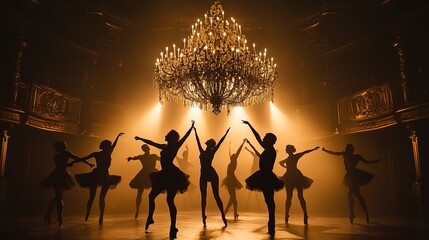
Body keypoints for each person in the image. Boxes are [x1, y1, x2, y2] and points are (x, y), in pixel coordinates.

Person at [135, 121, 194, 239]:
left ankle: (173, 227)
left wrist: (191, 127)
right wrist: (141, 138)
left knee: (169, 200)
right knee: (152, 196)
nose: (165, 135)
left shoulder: (175, 146)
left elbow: (185, 137)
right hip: (164, 174)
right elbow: (152, 142)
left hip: (172, 174)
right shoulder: (164, 146)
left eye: (168, 134)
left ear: (172, 137)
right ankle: (151, 217)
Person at [242, 120, 284, 236]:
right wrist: (250, 125)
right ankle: (271, 222)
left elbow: (258, 138)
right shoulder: (268, 149)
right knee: (268, 200)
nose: (264, 140)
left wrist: (250, 125)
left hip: (267, 176)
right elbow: (259, 139)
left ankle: (272, 223)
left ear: (270, 141)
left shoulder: (270, 150)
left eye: (266, 138)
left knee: (269, 200)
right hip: (265, 175)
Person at [322, 144, 381, 223]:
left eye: (346, 148)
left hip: (354, 176)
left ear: (350, 150)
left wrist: (375, 161)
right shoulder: (345, 154)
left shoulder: (356, 156)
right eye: (345, 148)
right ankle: (357, 213)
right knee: (355, 195)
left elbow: (367, 162)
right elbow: (334, 153)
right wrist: (325, 150)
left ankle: (356, 213)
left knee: (354, 194)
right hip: (349, 176)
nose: (344, 149)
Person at [74, 132, 124, 224]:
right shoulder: (101, 153)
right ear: (106, 146)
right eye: (109, 145)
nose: (110, 146)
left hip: (104, 176)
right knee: (94, 197)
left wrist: (117, 137)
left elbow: (114, 144)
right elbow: (83, 158)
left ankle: (100, 216)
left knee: (98, 197)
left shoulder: (107, 152)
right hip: (97, 175)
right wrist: (74, 162)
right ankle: (89, 213)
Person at [41, 141, 94, 226]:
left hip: (57, 175)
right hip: (60, 175)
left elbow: (73, 160)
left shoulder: (57, 155)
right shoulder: (66, 153)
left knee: (57, 197)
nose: (66, 146)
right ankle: (58, 215)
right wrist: (88, 163)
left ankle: (50, 214)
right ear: (62, 146)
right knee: (58, 197)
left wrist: (85, 163)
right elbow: (78, 158)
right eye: (64, 145)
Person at [194, 126, 230, 227]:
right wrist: (195, 131)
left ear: (210, 145)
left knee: (215, 196)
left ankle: (222, 215)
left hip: (211, 173)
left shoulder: (209, 151)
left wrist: (226, 133)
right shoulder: (203, 151)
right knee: (204, 197)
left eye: (209, 143)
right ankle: (203, 215)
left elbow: (220, 143)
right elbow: (198, 141)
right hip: (204, 174)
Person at [279, 145, 319, 224]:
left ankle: (303, 214)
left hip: (293, 176)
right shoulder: (288, 158)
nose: (286, 150)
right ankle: (288, 214)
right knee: (293, 197)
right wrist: (285, 167)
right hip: (292, 176)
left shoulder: (295, 156)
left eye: (287, 149)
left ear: (290, 150)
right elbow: (280, 162)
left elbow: (305, 152)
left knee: (296, 196)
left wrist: (313, 149)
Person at [127, 144, 160, 219]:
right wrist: (131, 158)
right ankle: (138, 209)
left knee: (140, 193)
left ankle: (138, 210)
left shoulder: (149, 156)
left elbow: (134, 158)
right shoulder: (151, 156)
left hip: (147, 173)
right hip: (148, 173)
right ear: (148, 148)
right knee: (141, 193)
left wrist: (131, 158)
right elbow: (134, 158)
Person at [222, 139, 246, 221]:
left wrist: (242, 143)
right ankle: (232, 212)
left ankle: (230, 211)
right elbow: (231, 153)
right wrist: (229, 146)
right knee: (233, 198)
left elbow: (237, 152)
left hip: (231, 180)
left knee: (233, 198)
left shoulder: (233, 161)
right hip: (230, 180)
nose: (233, 155)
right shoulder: (232, 161)